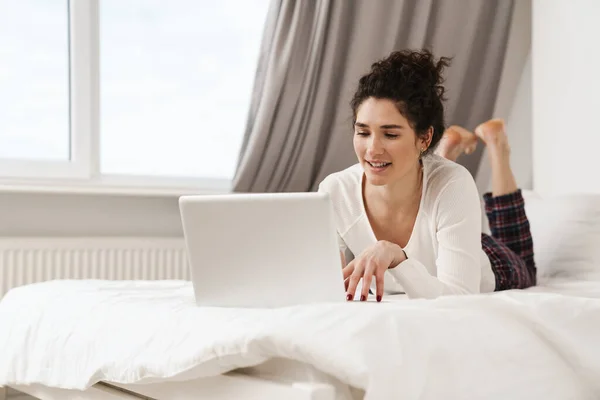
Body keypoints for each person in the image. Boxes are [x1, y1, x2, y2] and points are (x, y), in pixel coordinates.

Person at [318, 49, 536, 301]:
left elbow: (459, 297)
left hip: (486, 260)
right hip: (440, 227)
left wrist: (397, 257)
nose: (372, 150)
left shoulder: (455, 183)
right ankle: (445, 152)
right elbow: (323, 284)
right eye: (363, 132)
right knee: (442, 188)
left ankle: (497, 144)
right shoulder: (334, 190)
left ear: (425, 137)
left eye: (390, 135)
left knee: (525, 263)